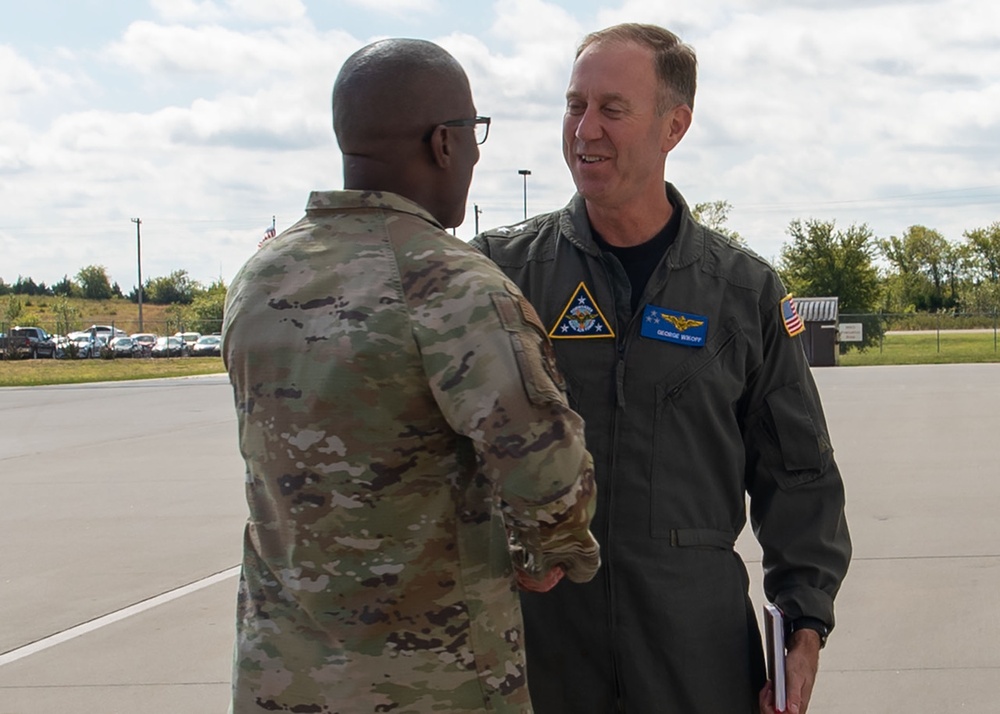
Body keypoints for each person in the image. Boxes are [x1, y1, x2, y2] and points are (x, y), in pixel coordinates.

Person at [473, 22, 851, 714]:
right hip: (537, 658)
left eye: (612, 109)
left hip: (695, 659)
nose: (585, 129)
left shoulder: (741, 292)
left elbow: (798, 476)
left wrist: (803, 625)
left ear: (674, 126)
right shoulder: (501, 274)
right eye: (574, 104)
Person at [223, 38, 600, 713]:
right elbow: (546, 470)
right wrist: (551, 550)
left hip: (280, 678)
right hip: (433, 681)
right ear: (443, 143)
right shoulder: (452, 285)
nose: (478, 154)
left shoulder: (258, 279)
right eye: (473, 132)